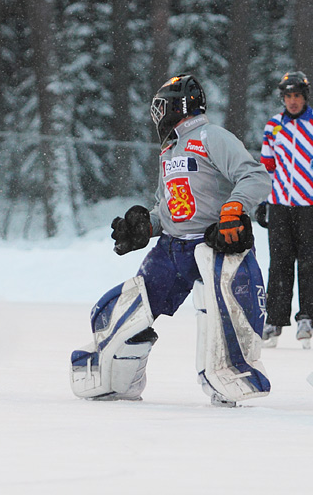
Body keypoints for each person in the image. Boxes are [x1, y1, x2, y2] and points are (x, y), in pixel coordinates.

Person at [69, 74, 272, 407]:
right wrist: (147, 225)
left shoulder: (212, 137)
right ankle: (119, 378)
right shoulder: (169, 149)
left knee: (221, 318)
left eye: (161, 106)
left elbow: (254, 176)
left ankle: (229, 375)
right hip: (172, 248)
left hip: (214, 246)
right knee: (131, 310)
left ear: (180, 105)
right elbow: (170, 206)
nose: (157, 114)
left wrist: (234, 209)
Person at [255, 71, 313, 349]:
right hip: (280, 204)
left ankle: (307, 318)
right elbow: (267, 167)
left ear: (305, 97)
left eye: (297, 96)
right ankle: (275, 320)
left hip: (311, 206)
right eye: (288, 96)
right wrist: (262, 200)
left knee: (311, 265)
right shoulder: (273, 127)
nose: (293, 101)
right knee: (278, 265)